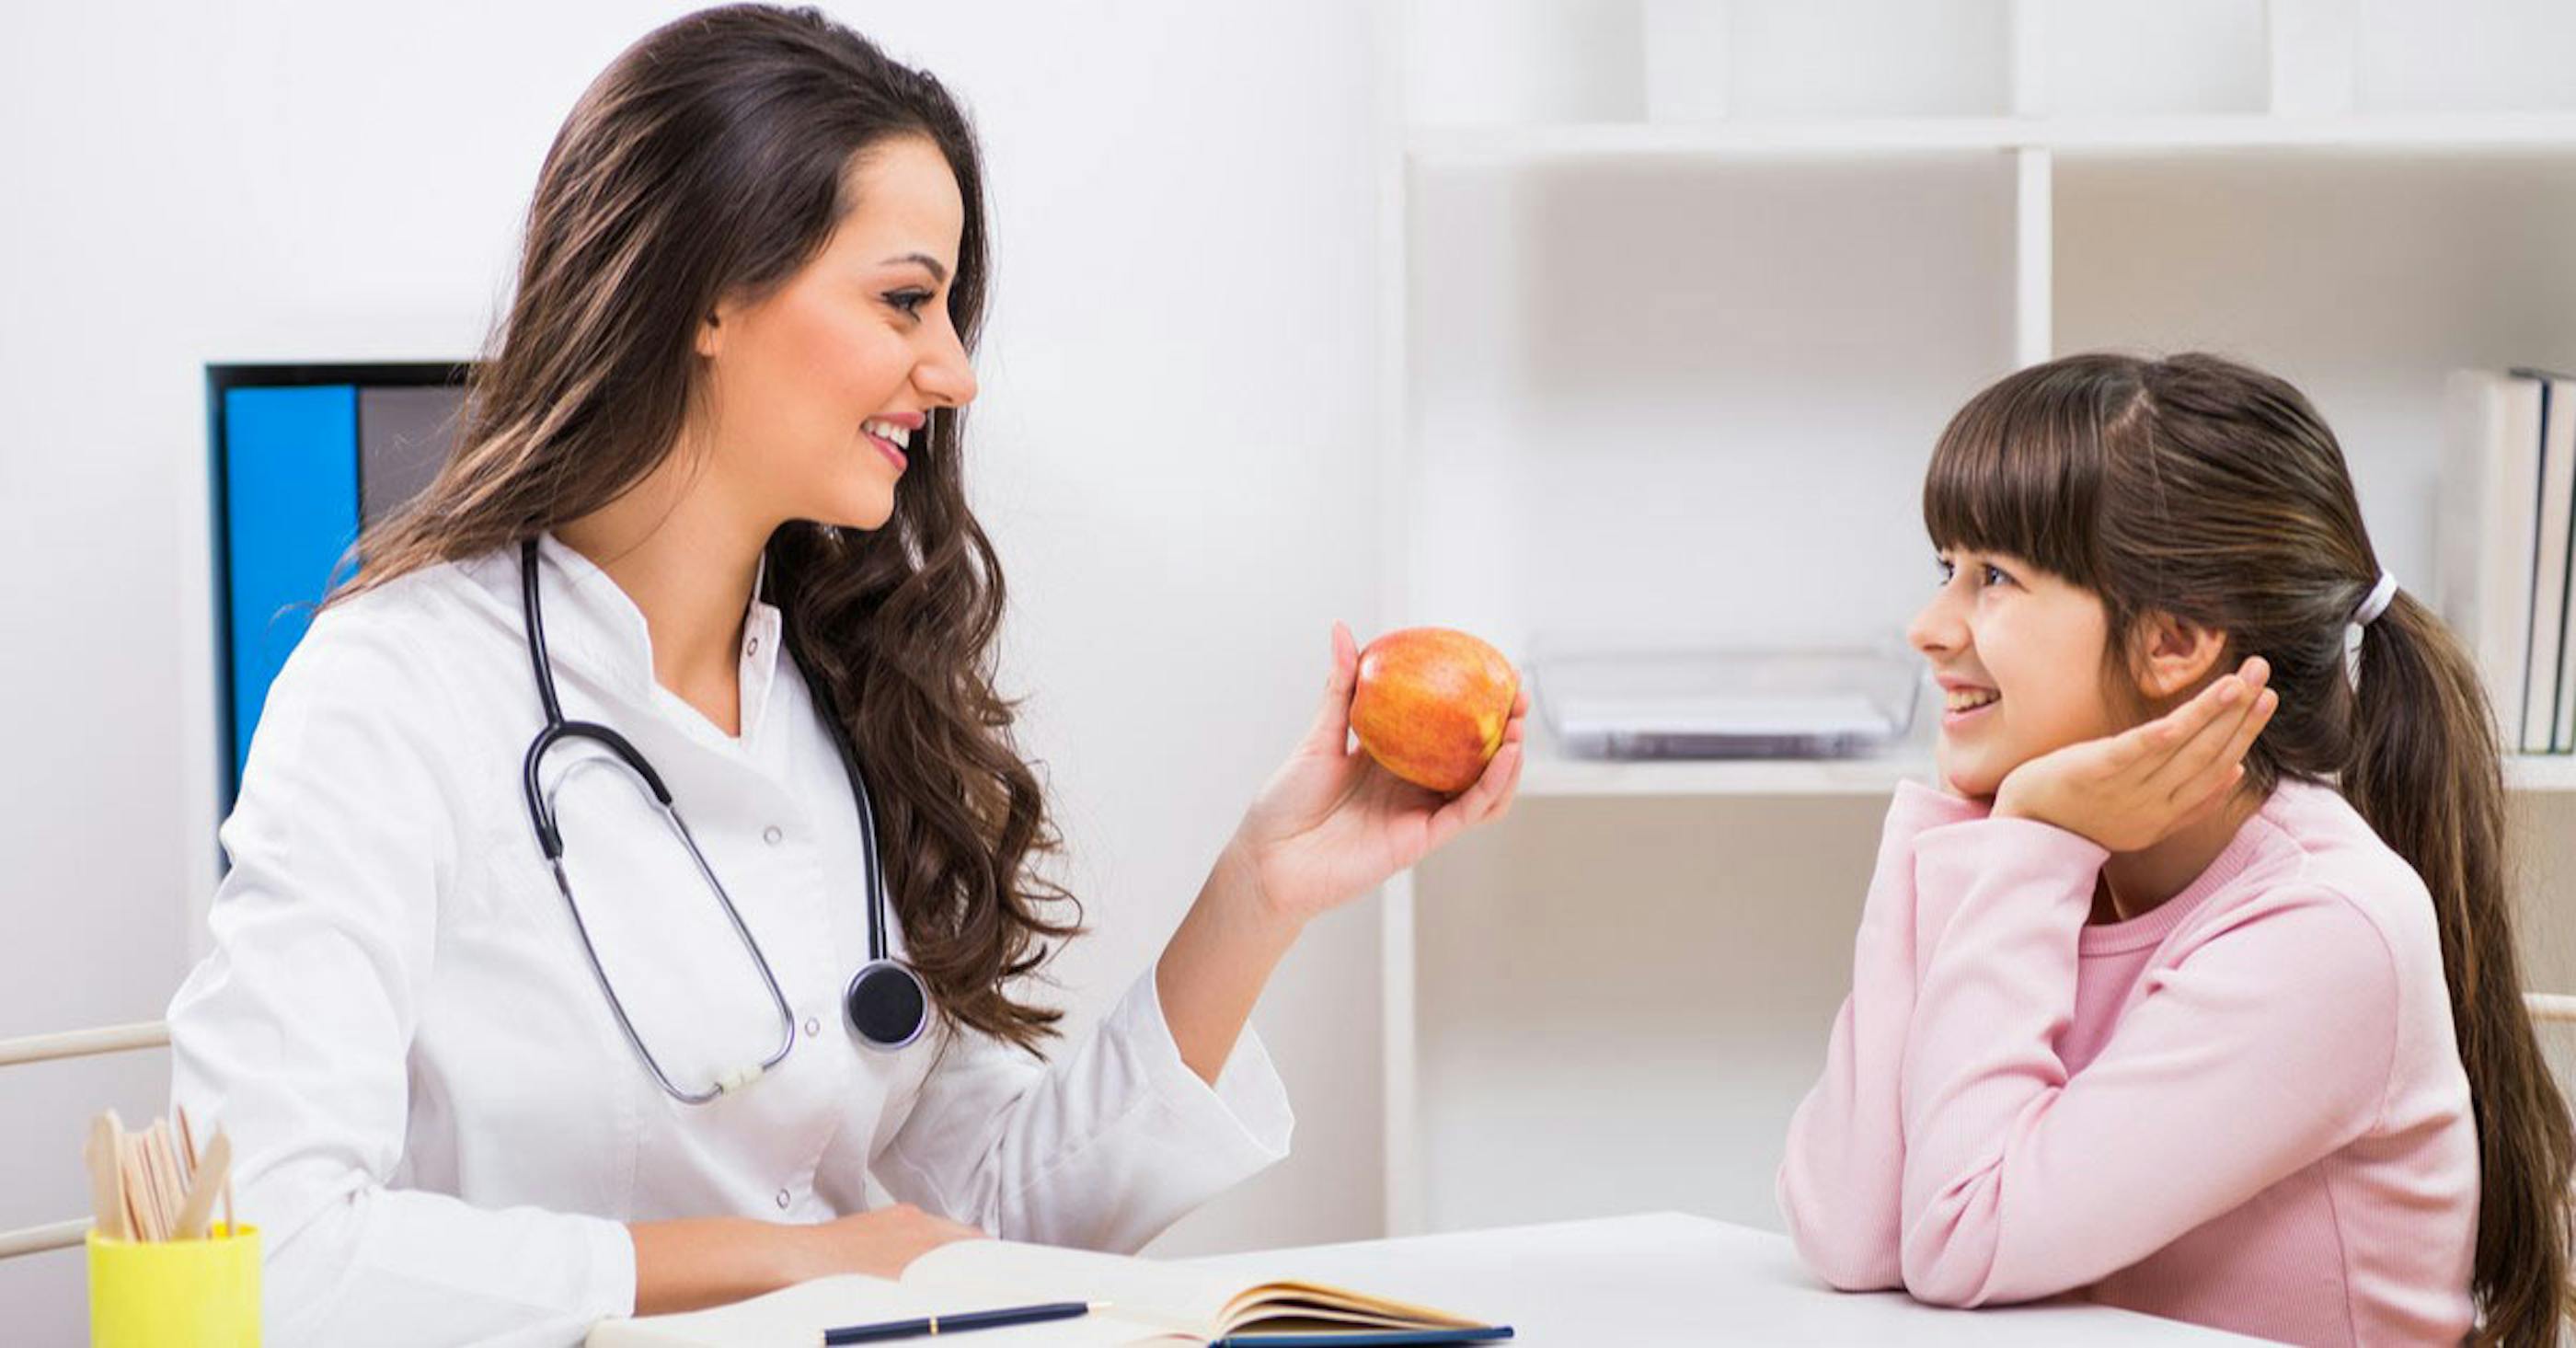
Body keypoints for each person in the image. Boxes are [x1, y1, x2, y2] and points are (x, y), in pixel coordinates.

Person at [167, 7, 1528, 1343]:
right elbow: (263, 1258)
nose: (953, 373)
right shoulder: (397, 691)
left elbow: (980, 1224)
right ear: (707, 292)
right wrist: (794, 1260)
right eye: (903, 301)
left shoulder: (844, 694)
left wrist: (1260, 890)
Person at [1777, 351, 2573, 1345]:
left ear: (2172, 641)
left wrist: (2024, 842)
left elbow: (1958, 1240)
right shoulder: (2062, 861)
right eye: (1945, 569)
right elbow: (1853, 1229)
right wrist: (1971, 828)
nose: (1927, 628)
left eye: (1993, 578)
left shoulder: (2324, 926)